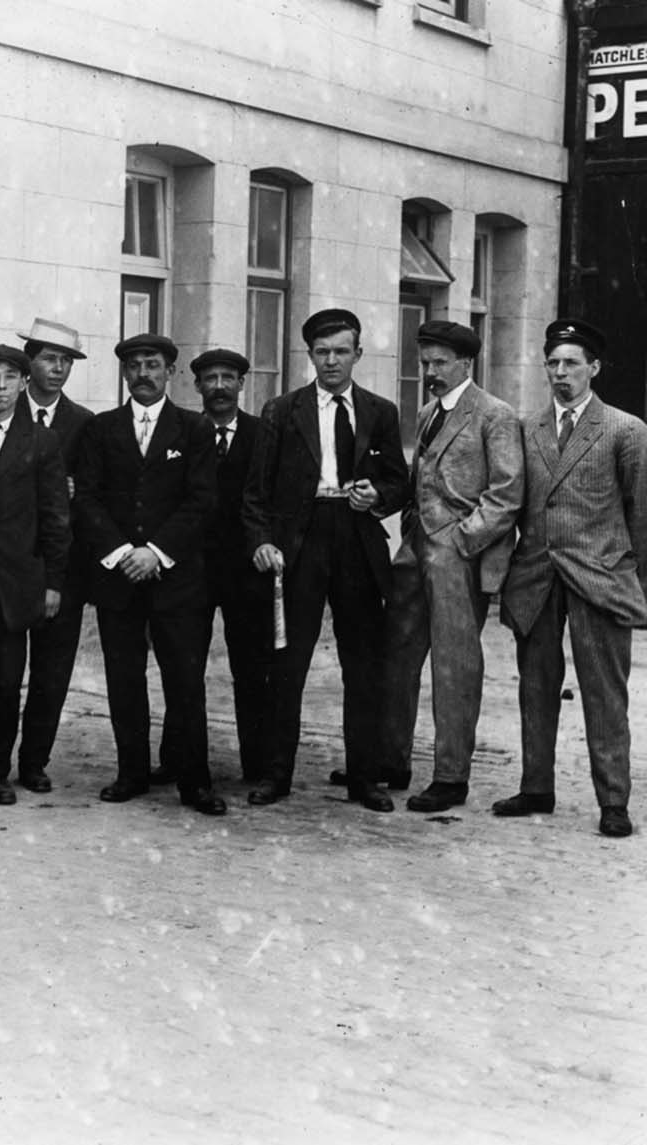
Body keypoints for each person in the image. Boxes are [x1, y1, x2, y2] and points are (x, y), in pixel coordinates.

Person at [241, 308, 408, 812]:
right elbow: (255, 492)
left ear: (358, 354)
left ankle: (365, 779)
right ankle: (276, 775)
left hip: (356, 540)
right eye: (322, 352)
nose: (331, 361)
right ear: (309, 355)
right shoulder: (281, 411)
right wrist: (262, 541)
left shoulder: (380, 411)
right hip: (299, 543)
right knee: (287, 663)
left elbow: (399, 482)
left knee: (363, 665)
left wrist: (377, 496)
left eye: (341, 351)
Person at [496, 319, 647, 839]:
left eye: (571, 363)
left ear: (594, 368)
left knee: (604, 694)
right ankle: (536, 787)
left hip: (599, 577)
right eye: (553, 363)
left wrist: (636, 585)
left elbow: (642, 515)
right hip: (536, 576)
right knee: (535, 687)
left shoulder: (625, 431)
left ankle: (613, 800)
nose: (560, 373)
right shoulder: (527, 428)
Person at [374, 321, 522, 812]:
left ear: (466, 363)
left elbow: (507, 494)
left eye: (440, 363)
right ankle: (391, 761)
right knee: (396, 655)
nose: (430, 372)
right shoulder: (427, 413)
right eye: (425, 363)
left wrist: (463, 540)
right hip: (414, 550)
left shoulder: (495, 415)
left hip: (458, 558)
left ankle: (451, 777)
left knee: (454, 666)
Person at [74, 333, 223, 816]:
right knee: (124, 679)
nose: (143, 373)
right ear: (124, 373)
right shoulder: (101, 429)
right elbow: (87, 498)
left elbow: (202, 501)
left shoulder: (194, 429)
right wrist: (123, 552)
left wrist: (156, 553)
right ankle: (131, 773)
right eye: (135, 365)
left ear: (170, 372)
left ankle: (195, 783)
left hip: (176, 579)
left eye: (153, 364)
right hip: (118, 578)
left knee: (185, 681)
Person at [0, 344, 70, 805]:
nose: (1, 387)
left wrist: (53, 582)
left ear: (24, 384)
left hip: (14, 578)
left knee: (4, 680)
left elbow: (55, 517)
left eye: (10, 378)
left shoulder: (41, 441)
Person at [15, 318, 95, 793]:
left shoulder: (84, 423)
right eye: (50, 358)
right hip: (9, 563)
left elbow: (96, 492)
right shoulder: (2, 410)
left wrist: (76, 491)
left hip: (62, 566)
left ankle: (34, 762)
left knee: (52, 670)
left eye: (66, 361)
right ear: (29, 362)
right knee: (4, 670)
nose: (58, 368)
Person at [189, 347, 273, 783]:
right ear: (197, 386)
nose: (219, 386)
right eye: (210, 378)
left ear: (242, 384)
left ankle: (257, 763)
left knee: (251, 669)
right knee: (186, 669)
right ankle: (181, 758)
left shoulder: (264, 434)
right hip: (192, 570)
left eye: (228, 378)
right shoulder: (184, 432)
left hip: (247, 572)